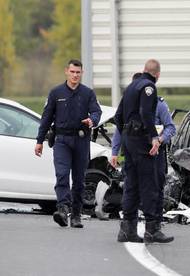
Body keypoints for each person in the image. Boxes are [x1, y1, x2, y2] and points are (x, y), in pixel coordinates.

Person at [34, 59, 102, 228]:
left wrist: (92, 120)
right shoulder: (56, 93)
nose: (75, 75)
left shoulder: (88, 93)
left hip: (81, 140)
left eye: (78, 72)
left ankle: (77, 215)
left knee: (79, 180)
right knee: (62, 175)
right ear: (66, 72)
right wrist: (39, 141)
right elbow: (46, 117)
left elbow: (96, 111)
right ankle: (63, 209)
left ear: (82, 73)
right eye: (72, 72)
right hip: (61, 140)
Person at [114, 59, 174, 243]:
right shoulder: (149, 87)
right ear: (158, 75)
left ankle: (127, 230)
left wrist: (125, 134)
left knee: (131, 185)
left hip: (128, 141)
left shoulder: (131, 87)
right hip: (141, 141)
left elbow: (118, 116)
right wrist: (153, 138)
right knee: (149, 184)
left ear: (143, 70)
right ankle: (152, 229)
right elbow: (146, 113)